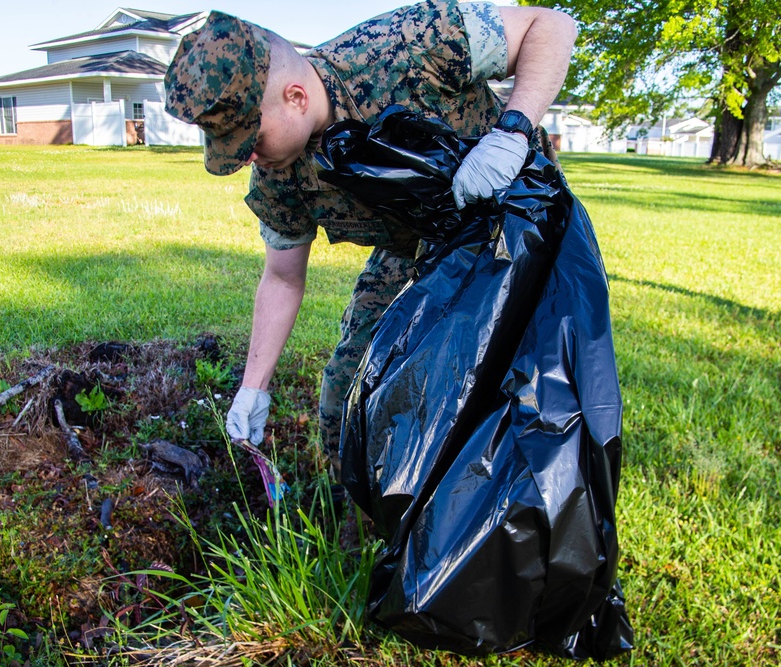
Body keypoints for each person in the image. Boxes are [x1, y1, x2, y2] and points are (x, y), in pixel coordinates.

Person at [163, 0, 577, 469]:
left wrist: (511, 132)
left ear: (295, 97)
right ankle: (368, 525)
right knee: (350, 391)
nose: (248, 159)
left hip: (517, 230)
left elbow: (552, 25)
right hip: (416, 245)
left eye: (251, 141)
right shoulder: (279, 176)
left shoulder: (406, 46)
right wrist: (252, 387)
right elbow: (282, 278)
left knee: (510, 389)